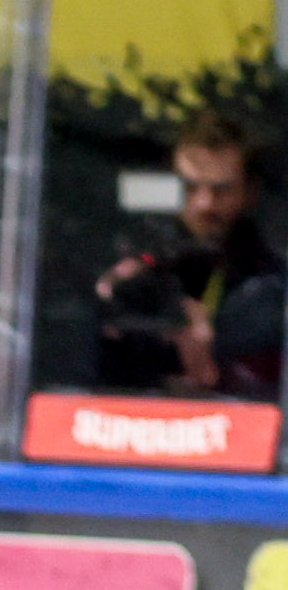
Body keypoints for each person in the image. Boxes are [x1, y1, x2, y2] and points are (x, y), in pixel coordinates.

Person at [90, 111, 283, 398]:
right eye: (190, 188)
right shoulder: (137, 262)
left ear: (250, 192)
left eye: (222, 190)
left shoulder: (270, 283)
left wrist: (216, 347)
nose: (205, 204)